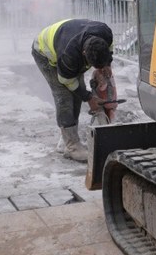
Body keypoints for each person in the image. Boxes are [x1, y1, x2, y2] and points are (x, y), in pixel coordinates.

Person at [32, 18, 114, 162]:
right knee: (64, 96)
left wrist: (106, 66)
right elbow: (66, 80)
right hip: (43, 51)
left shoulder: (105, 33)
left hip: (67, 37)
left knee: (77, 93)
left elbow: (110, 48)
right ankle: (72, 147)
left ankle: (65, 139)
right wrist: (89, 98)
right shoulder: (69, 55)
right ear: (84, 53)